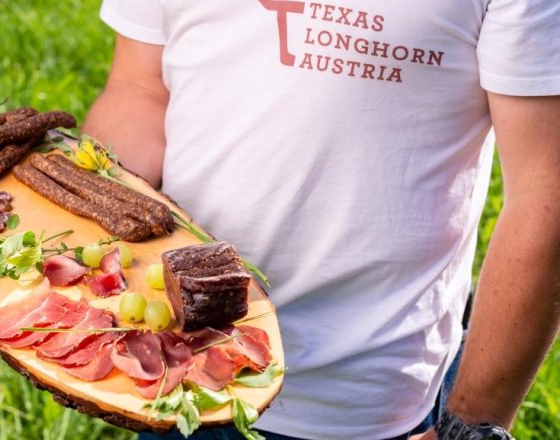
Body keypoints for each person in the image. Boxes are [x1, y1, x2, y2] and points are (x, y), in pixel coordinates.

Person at [82, 1, 560, 439]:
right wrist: (85, 262)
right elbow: (141, 90)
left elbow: (546, 191)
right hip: (177, 360)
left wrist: (468, 431)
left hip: (363, 403)